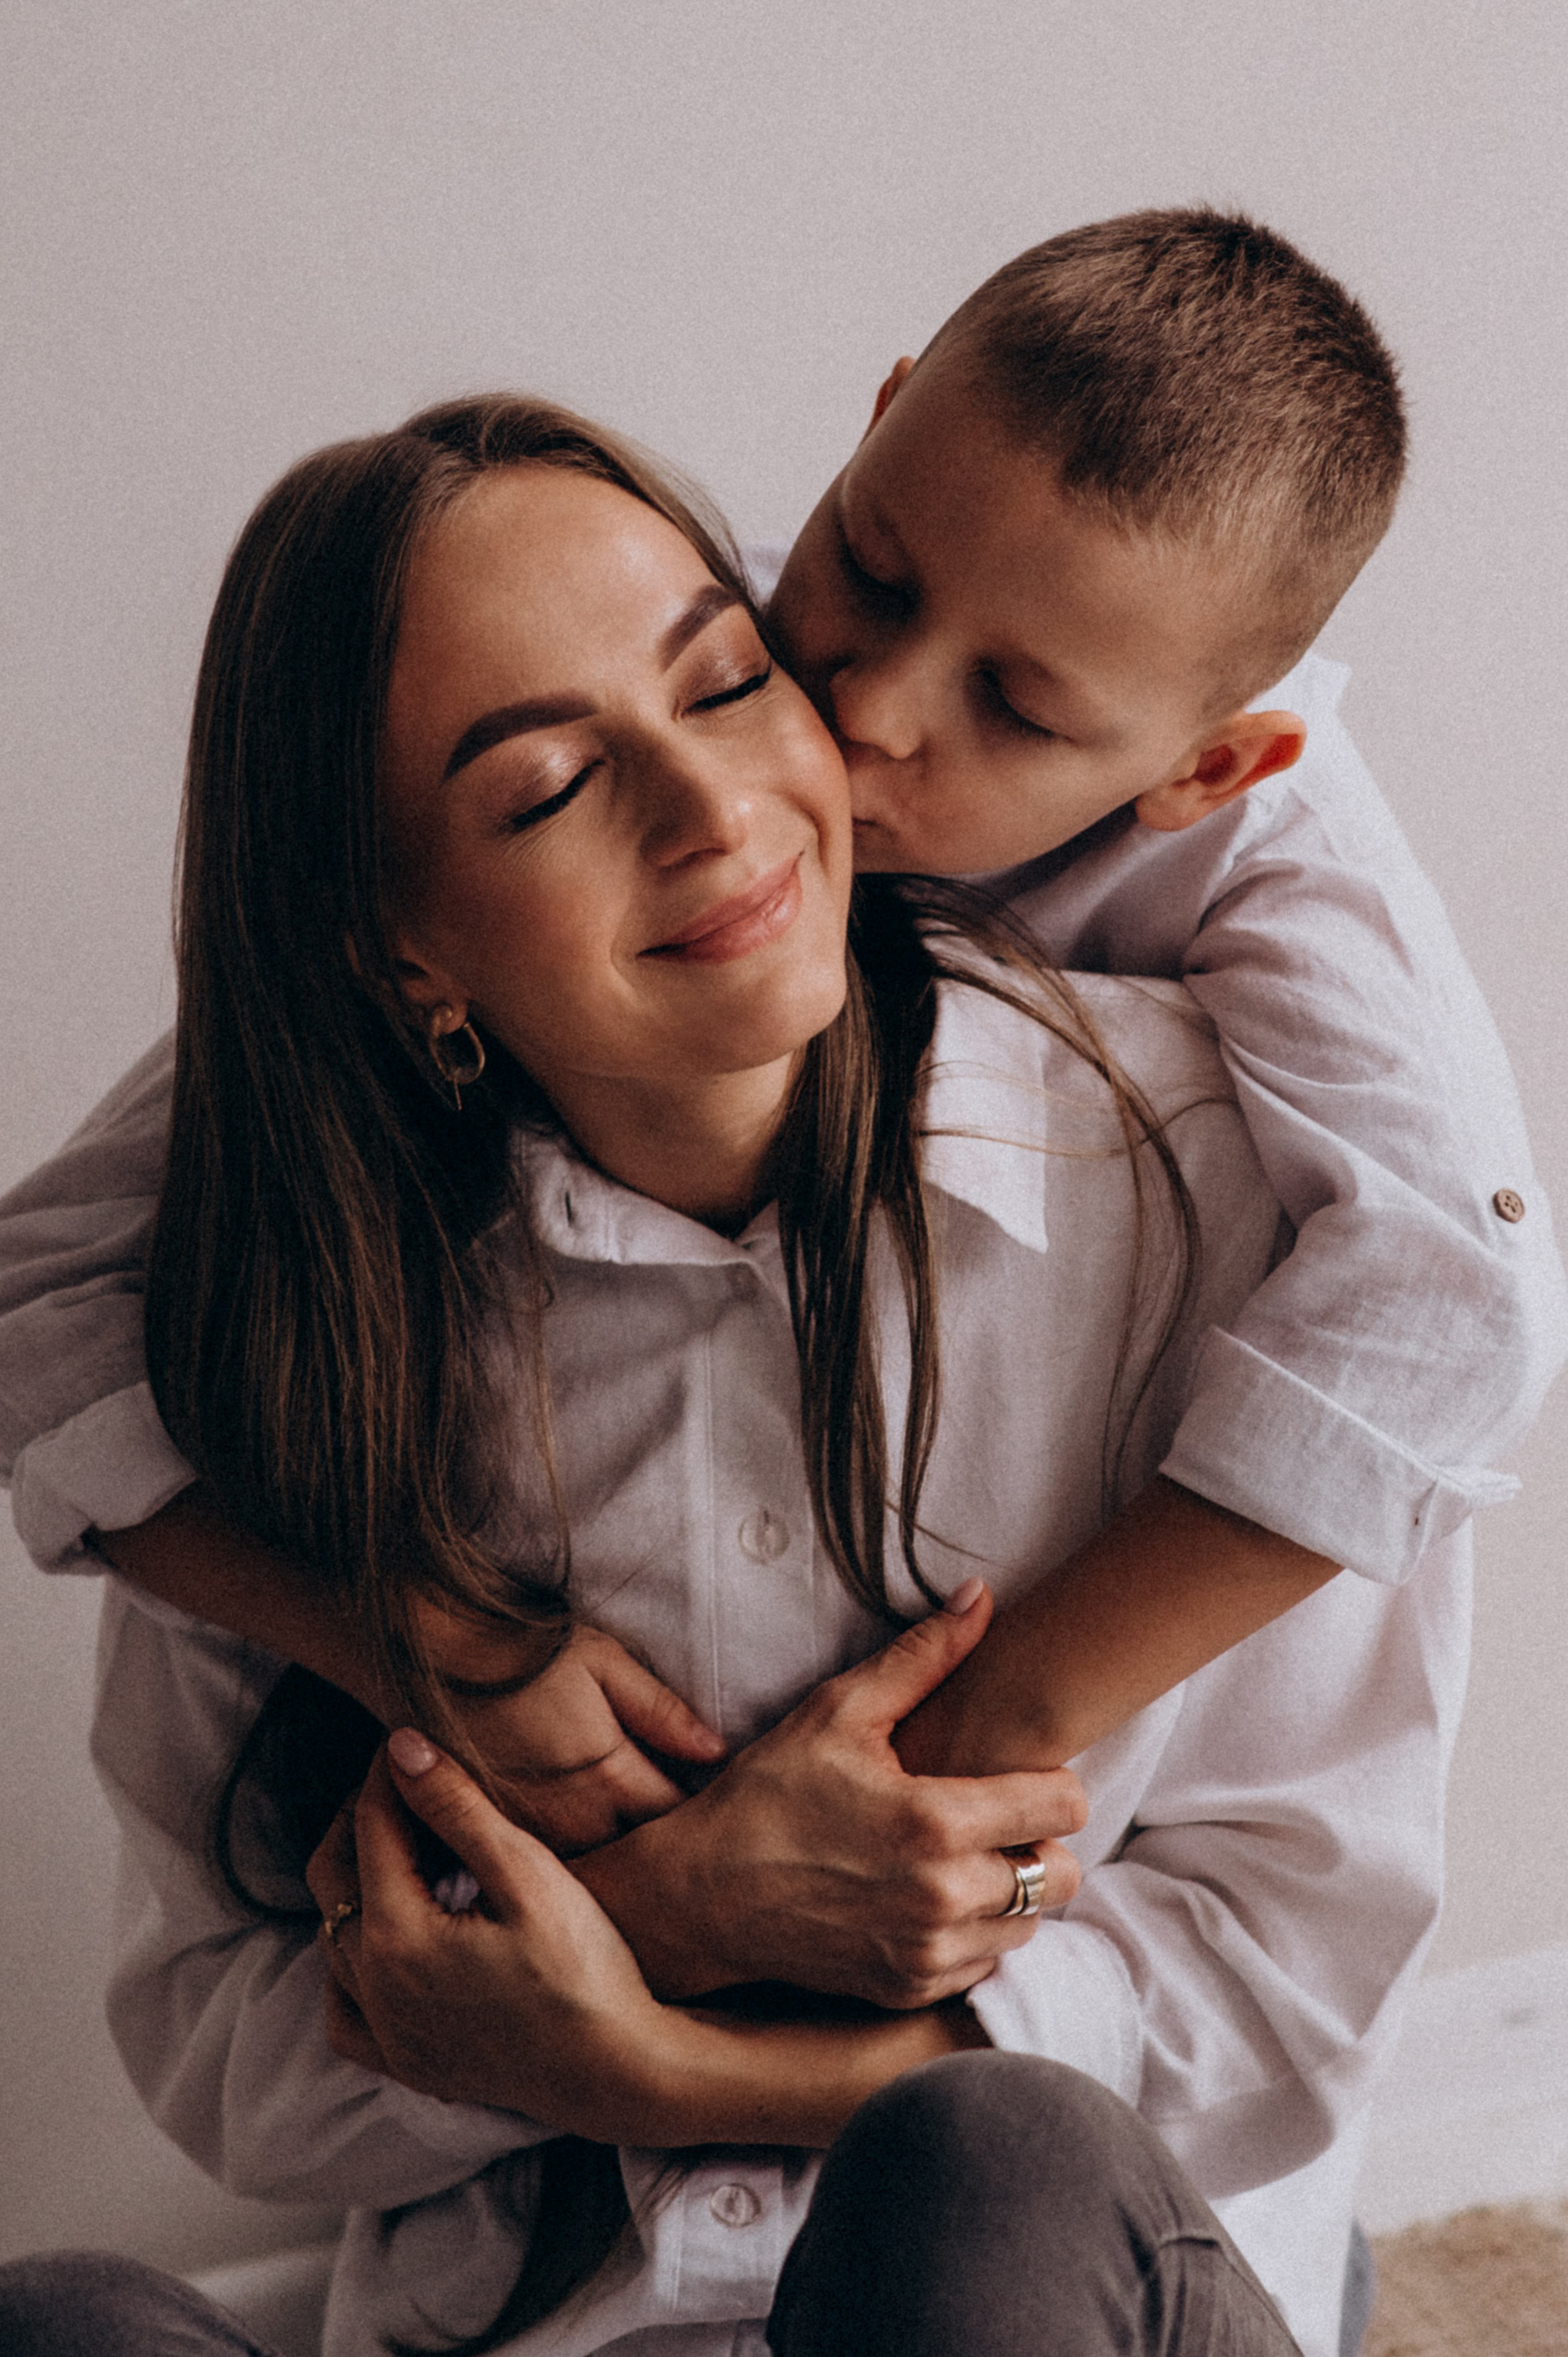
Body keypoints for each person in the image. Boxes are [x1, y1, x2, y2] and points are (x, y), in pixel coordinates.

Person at [0, 397, 1463, 2357]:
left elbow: (1293, 1982)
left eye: (725, 681)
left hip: (1037, 2296)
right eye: (542, 792)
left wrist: (671, 2069)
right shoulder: (284, 1342)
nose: (714, 814)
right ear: (398, 950)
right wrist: (665, 1916)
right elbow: (227, 2056)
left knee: (988, 2171)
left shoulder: (1213, 1191)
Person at [0, 208, 1559, 1830]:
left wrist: (981, 1729)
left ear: (1201, 770)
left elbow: (1458, 1295)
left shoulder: (1275, 867)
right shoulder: (668, 656)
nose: (859, 707)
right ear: (881, 418)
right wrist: (408, 1636)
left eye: (1009, 707)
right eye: (866, 578)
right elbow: (72, 1252)